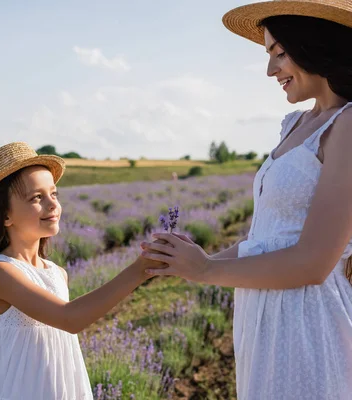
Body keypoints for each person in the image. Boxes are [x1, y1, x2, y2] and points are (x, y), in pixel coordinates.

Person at [141, 1, 352, 399]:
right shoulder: (298, 123)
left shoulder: (348, 124)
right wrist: (193, 262)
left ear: (314, 45)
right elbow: (269, 236)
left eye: (280, 53)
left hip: (310, 323)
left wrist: (205, 271)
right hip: (266, 316)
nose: (271, 70)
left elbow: (314, 262)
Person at [0, 142, 164, 400]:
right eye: (37, 198)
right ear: (5, 216)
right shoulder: (0, 273)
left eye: (54, 194)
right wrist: (140, 270)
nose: (52, 205)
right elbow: (70, 319)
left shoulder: (56, 273)